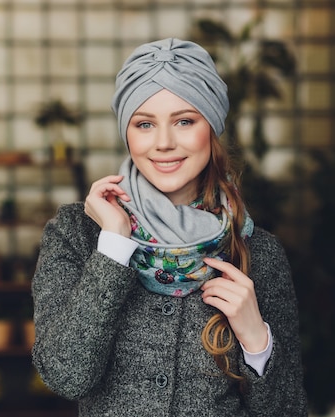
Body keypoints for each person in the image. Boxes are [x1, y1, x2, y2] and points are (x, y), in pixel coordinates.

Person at [32, 38, 307, 417]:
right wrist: (113, 245)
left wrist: (256, 340)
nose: (163, 143)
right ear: (126, 133)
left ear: (210, 128)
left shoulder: (259, 251)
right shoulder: (76, 234)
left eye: (184, 121)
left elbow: (287, 411)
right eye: (144, 123)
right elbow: (66, 376)